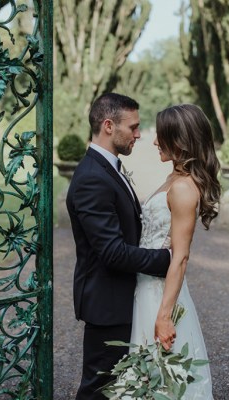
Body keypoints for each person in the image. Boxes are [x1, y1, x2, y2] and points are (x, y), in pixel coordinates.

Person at [66, 93, 172, 400]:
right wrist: (166, 259)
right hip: (108, 303)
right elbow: (112, 252)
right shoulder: (92, 178)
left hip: (122, 298)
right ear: (109, 126)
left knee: (121, 387)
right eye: (134, 127)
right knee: (100, 389)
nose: (139, 134)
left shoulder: (107, 167)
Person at [130, 104, 220, 399]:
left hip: (160, 295)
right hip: (145, 287)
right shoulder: (173, 178)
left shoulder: (183, 188)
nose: (155, 141)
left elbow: (180, 257)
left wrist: (165, 316)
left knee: (163, 382)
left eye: (161, 136)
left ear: (179, 142)